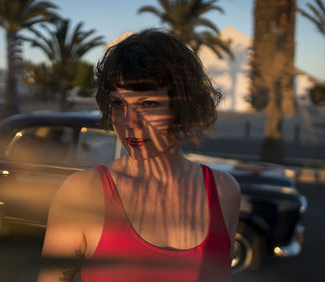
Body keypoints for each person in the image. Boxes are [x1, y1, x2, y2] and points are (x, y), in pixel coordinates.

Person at [38, 29, 241, 282]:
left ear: (183, 107)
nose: (128, 122)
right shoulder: (83, 193)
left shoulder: (223, 191)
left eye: (148, 104)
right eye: (119, 104)